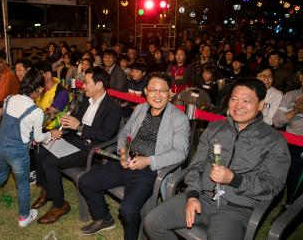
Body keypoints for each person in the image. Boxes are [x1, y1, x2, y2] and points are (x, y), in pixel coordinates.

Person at [144, 77, 291, 240]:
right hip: (202, 197)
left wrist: (234, 179)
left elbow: (272, 184)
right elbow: (195, 166)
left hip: (237, 208)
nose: (239, 105)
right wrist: (192, 195)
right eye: (234, 99)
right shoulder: (215, 128)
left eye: (246, 100)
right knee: (153, 222)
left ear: (261, 104)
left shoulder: (273, 140)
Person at [78, 72, 190, 239]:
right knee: (85, 181)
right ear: (145, 91)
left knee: (128, 210)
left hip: (151, 170)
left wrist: (148, 161)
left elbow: (181, 152)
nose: (157, 95)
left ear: (170, 93)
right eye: (153, 90)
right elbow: (124, 134)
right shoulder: (141, 109)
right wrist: (123, 152)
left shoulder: (179, 118)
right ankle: (104, 219)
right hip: (127, 161)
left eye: (163, 91)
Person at [0, 69, 62, 227]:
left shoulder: (9, 99)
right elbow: (38, 138)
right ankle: (24, 216)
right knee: (23, 184)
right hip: (17, 152)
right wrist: (51, 134)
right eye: (41, 91)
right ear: (38, 90)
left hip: (0, 146)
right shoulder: (36, 111)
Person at [31, 67, 123, 224]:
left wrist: (79, 127)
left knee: (49, 162)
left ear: (99, 85)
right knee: (39, 149)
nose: (83, 86)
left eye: (86, 83)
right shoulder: (86, 101)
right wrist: (67, 122)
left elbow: (105, 135)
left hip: (91, 150)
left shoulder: (113, 108)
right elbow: (76, 120)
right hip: (74, 141)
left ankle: (59, 205)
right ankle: (47, 190)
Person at [273, 70, 303, 206]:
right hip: (292, 142)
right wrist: (295, 111)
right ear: (301, 77)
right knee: (292, 164)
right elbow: (277, 121)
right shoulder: (291, 96)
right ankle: (289, 203)